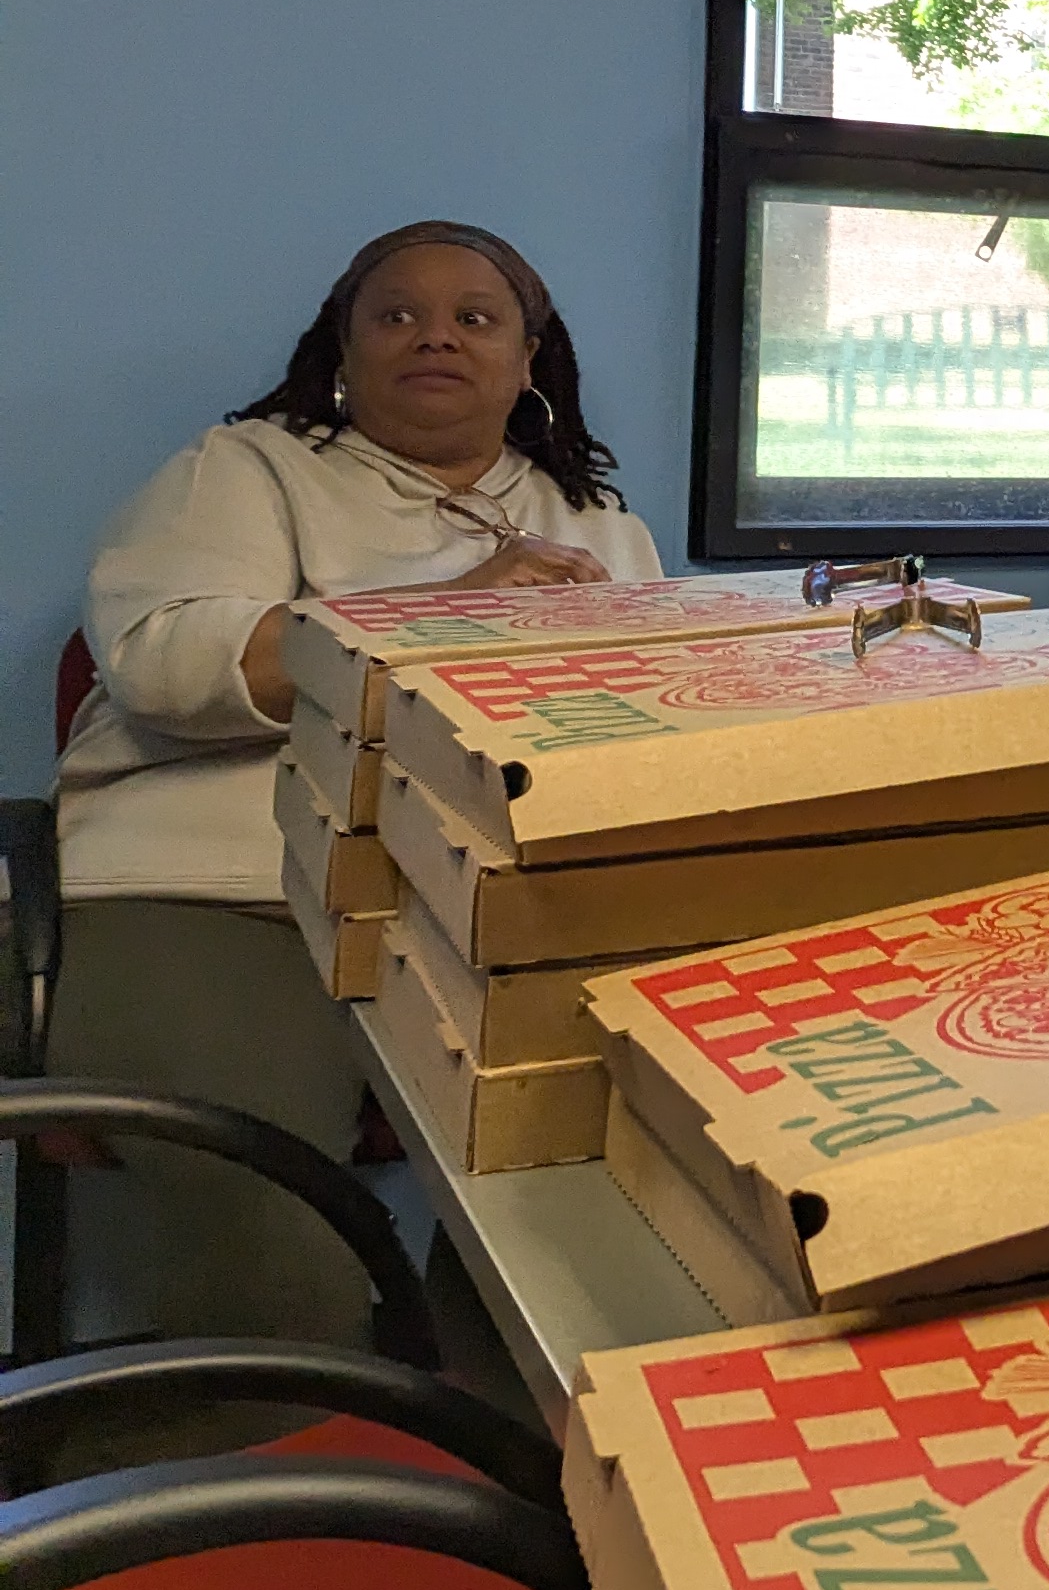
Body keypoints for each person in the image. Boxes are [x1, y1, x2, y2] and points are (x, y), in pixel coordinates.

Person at [56, 219, 658, 1347]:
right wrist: (448, 608)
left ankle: (507, 1482)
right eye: (396, 315)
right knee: (265, 1239)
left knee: (615, 1197)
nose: (435, 336)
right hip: (224, 889)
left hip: (489, 913)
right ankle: (234, 1481)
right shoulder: (244, 469)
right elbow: (166, 668)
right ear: (344, 348)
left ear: (528, 361)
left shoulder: (599, 527)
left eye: (475, 318)